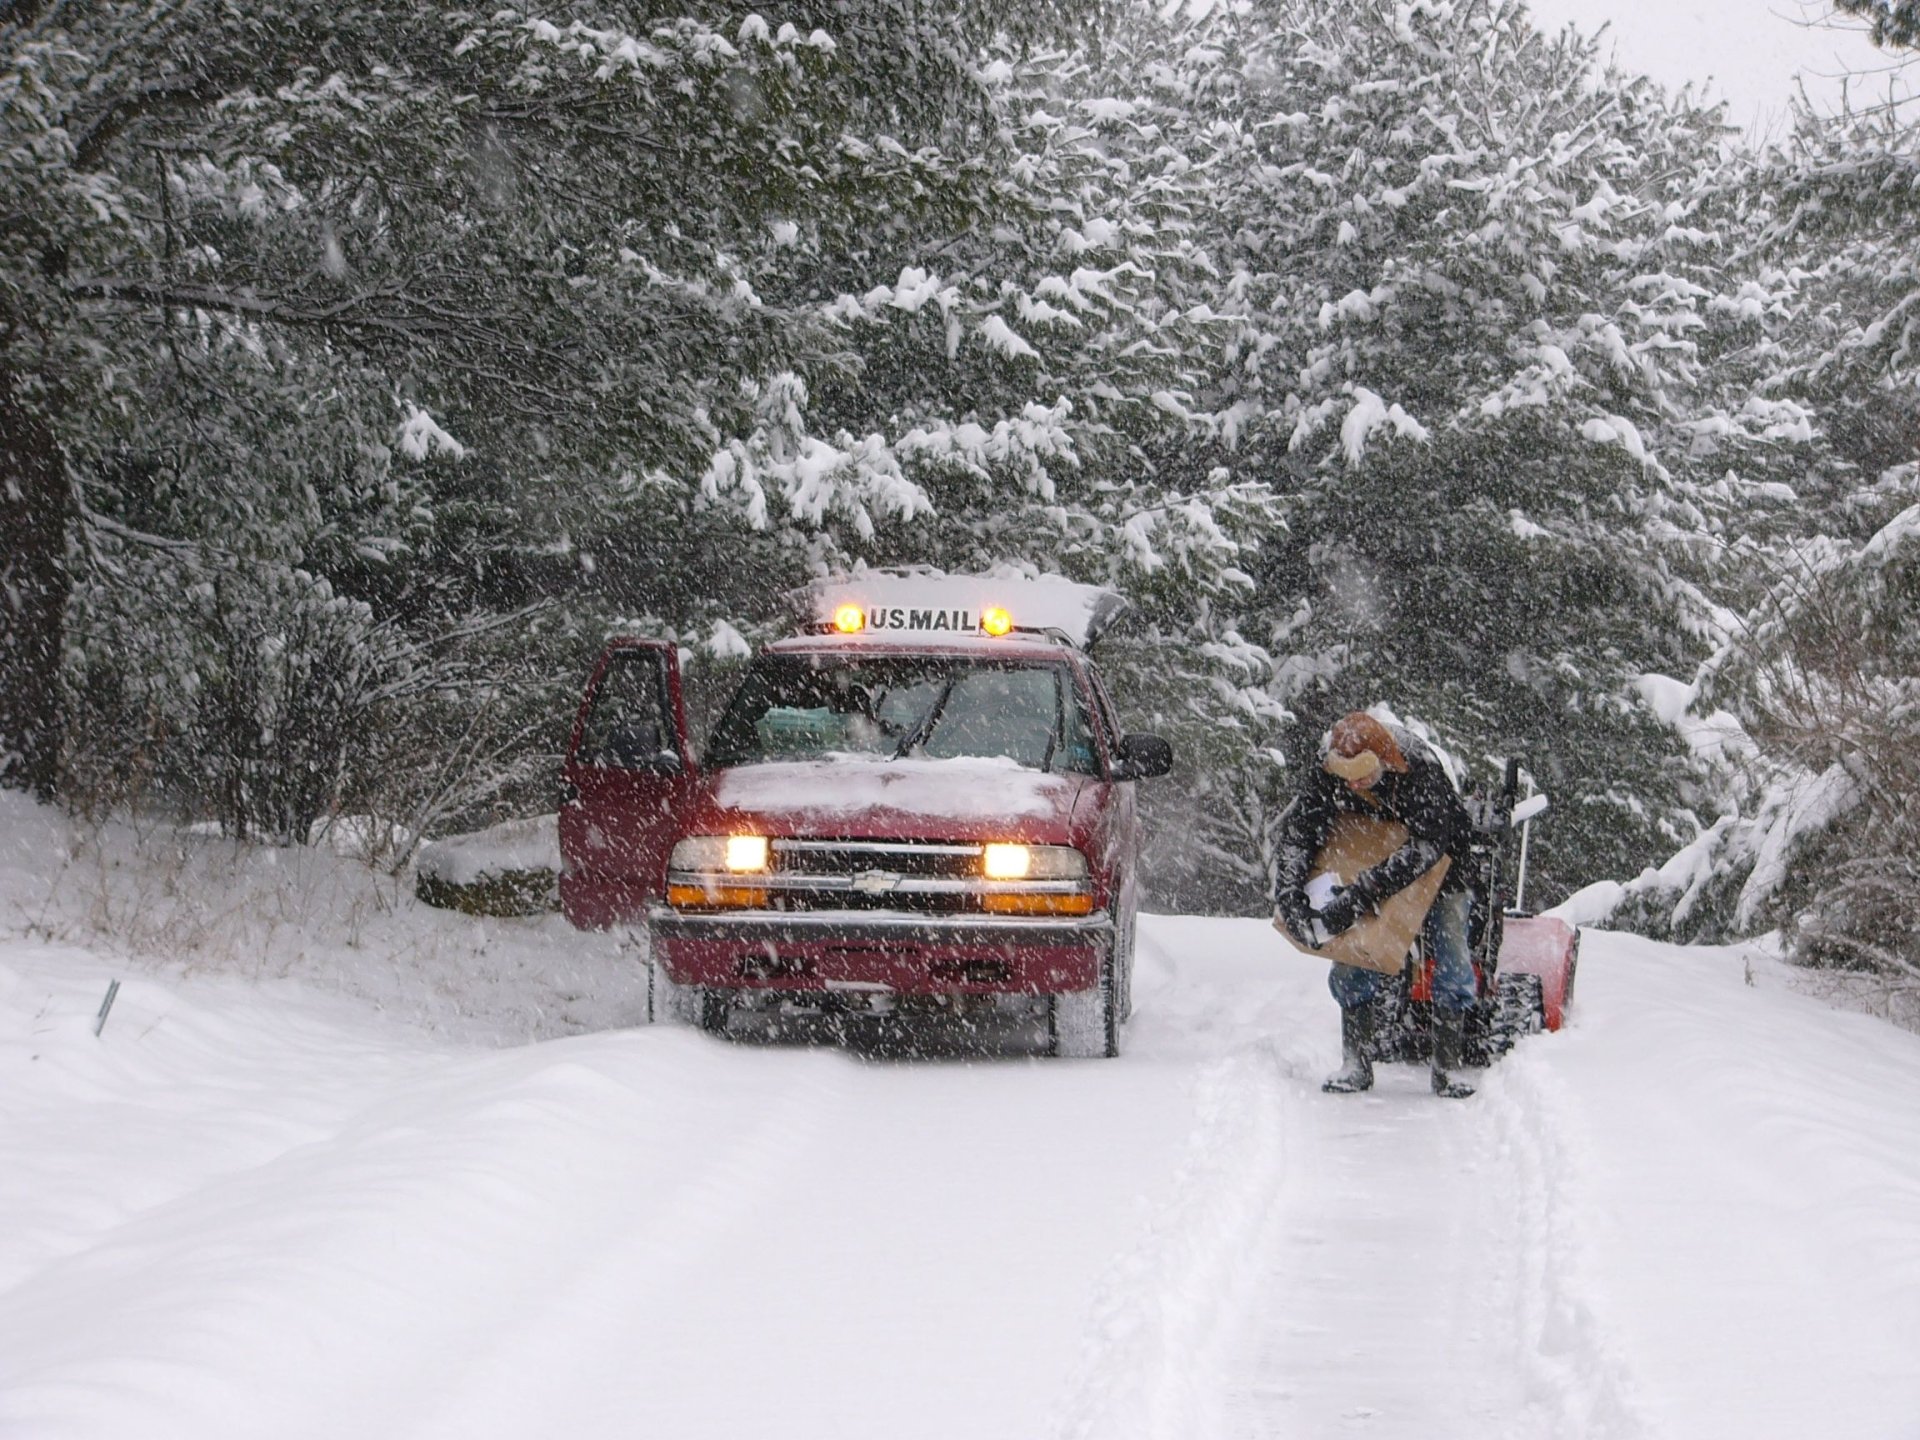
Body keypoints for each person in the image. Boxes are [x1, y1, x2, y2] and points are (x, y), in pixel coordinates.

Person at [1274, 711, 1478, 1099]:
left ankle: (1448, 1067)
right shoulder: (1326, 772)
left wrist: (1362, 894)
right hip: (1369, 858)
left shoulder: (1420, 769)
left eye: (1364, 776)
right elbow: (1299, 833)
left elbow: (1428, 845)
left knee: (1451, 948)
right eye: (1347, 777)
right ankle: (1356, 1062)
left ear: (1386, 762)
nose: (1354, 784)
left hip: (1442, 869)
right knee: (1352, 955)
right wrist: (1291, 895)